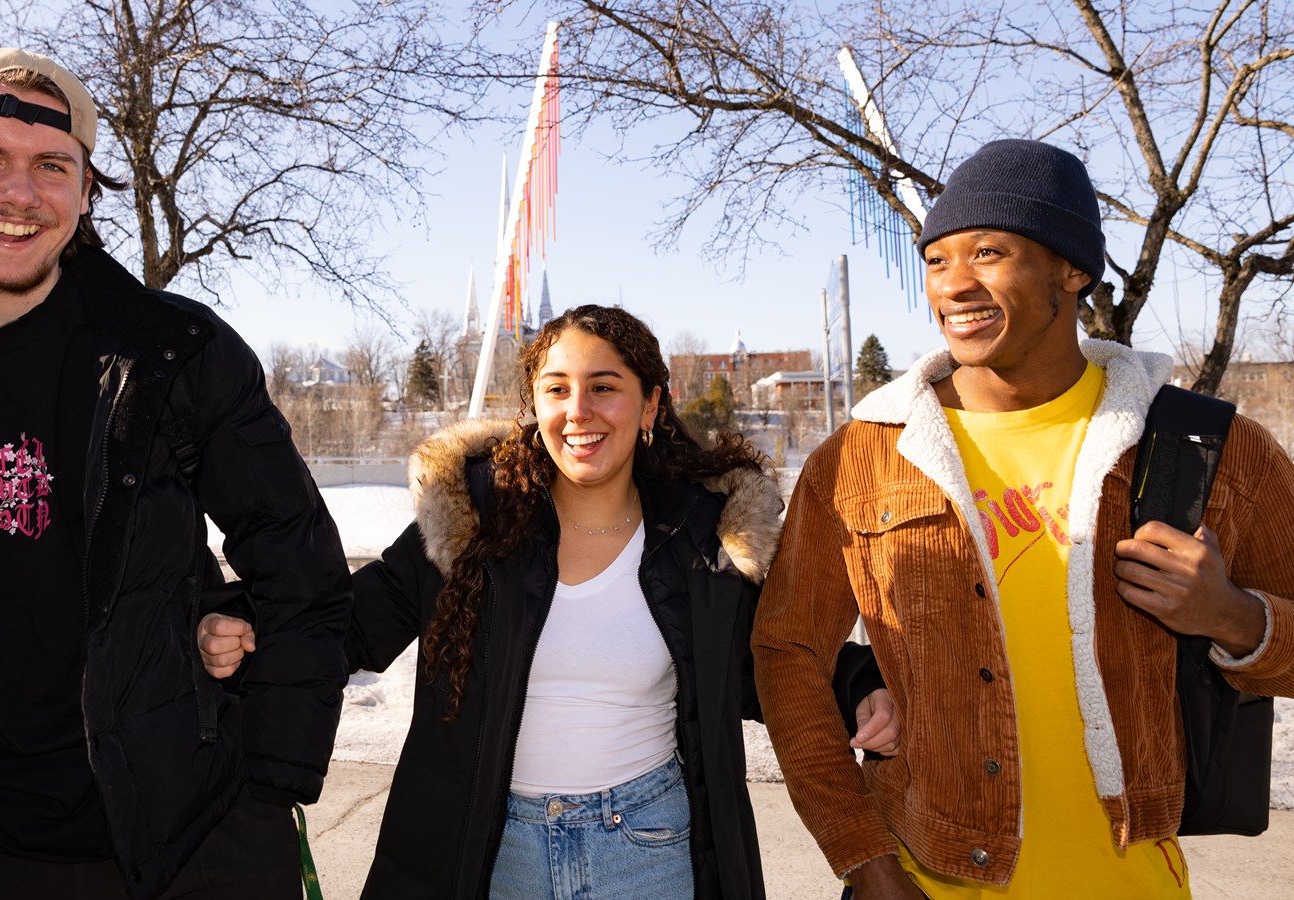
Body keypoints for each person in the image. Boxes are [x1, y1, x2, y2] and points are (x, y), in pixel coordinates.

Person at [0, 48, 351, 900]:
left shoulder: (174, 354)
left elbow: (299, 567)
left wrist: (267, 782)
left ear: (84, 193)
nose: (19, 193)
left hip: (174, 837)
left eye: (52, 166)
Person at [751, 139, 1294, 899]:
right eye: (936, 260)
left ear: (1070, 272)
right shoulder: (862, 457)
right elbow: (787, 654)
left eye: (989, 252)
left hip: (1130, 881)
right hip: (922, 875)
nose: (954, 284)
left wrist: (1233, 617)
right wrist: (864, 858)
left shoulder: (1209, 449)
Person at [204, 304, 895, 898]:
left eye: (605, 387)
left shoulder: (703, 537)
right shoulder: (469, 520)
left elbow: (768, 659)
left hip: (648, 849)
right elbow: (349, 622)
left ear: (651, 402)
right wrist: (244, 622)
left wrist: (861, 686)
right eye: (557, 388)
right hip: (487, 847)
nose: (579, 411)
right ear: (534, 404)